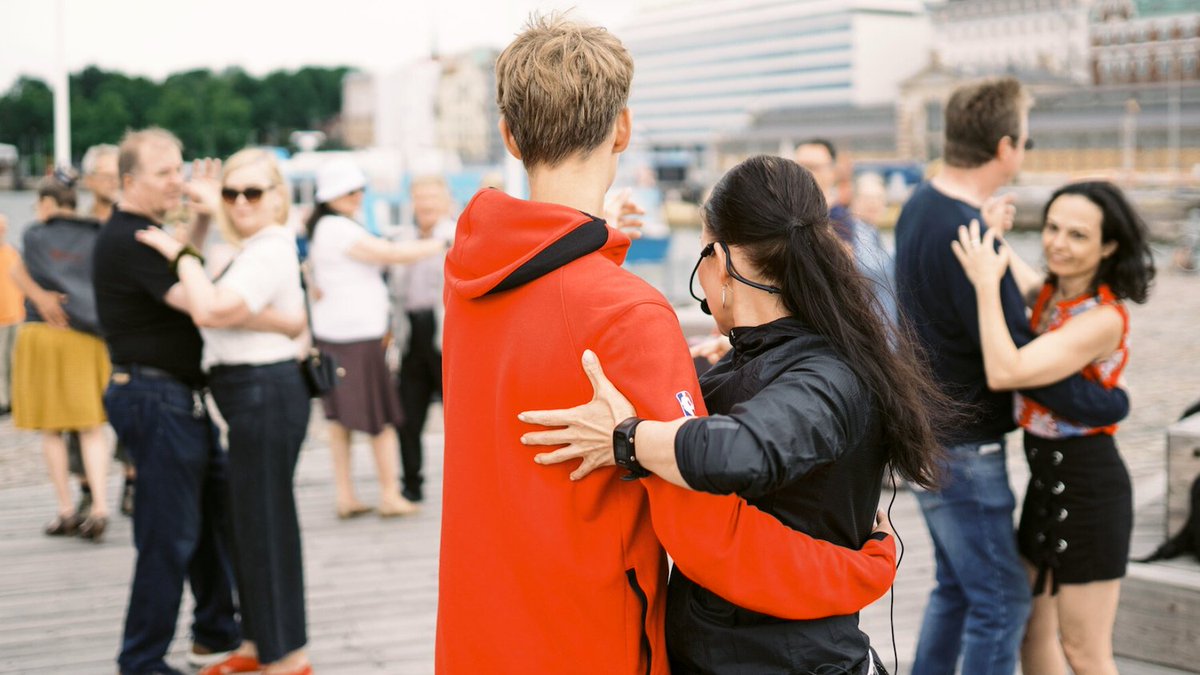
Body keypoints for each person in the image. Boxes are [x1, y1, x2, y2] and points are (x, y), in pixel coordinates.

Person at [437, 15, 898, 675]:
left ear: (510, 137)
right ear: (622, 128)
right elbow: (711, 539)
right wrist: (862, 565)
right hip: (588, 640)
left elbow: (548, 309)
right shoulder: (629, 312)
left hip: (476, 631)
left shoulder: (468, 282)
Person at [521, 155, 953, 673]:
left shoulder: (829, 374)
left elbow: (743, 450)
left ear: (720, 261)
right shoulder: (763, 356)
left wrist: (625, 439)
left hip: (783, 660)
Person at [893, 78, 1131, 675]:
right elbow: (1018, 361)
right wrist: (1108, 403)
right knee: (1001, 604)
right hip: (965, 448)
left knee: (956, 588)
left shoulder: (924, 203)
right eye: (1025, 139)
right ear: (1005, 148)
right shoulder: (968, 235)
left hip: (930, 433)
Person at [951, 182, 1154, 675]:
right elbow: (1017, 272)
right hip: (1045, 488)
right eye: (1052, 227)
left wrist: (982, 285)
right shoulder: (1050, 295)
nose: (1058, 243)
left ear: (1108, 247)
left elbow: (1006, 371)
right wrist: (993, 230)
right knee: (1032, 637)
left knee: (1084, 650)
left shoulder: (1103, 318)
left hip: (1091, 493)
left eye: (1078, 235)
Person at [134, 148, 312, 675]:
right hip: (244, 391)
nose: (240, 202)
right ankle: (259, 644)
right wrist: (203, 226)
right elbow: (225, 304)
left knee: (267, 524)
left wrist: (178, 253)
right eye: (231, 193)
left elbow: (211, 307)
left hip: (264, 391)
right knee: (245, 525)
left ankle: (289, 656)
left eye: (252, 192)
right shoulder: (248, 245)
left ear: (277, 196)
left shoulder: (269, 248)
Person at [93, 128, 242, 675]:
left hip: (174, 398)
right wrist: (208, 224)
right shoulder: (132, 238)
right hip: (156, 398)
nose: (177, 180)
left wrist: (197, 224)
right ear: (129, 181)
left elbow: (186, 260)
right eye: (165, 173)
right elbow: (194, 296)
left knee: (206, 520)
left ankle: (215, 632)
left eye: (180, 169)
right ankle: (142, 659)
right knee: (168, 533)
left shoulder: (149, 233)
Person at [305, 158, 446, 518]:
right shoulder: (340, 228)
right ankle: (389, 494)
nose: (358, 196)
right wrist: (441, 242)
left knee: (341, 420)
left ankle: (348, 494)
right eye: (351, 191)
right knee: (381, 419)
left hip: (340, 335)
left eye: (359, 190)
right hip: (357, 337)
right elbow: (392, 255)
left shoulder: (325, 228)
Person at [11, 171, 112, 541]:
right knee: (92, 427)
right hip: (87, 335)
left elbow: (14, 269)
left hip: (43, 335)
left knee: (51, 431)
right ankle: (100, 506)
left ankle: (67, 509)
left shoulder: (35, 234)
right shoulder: (98, 233)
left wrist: (38, 295)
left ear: (49, 204)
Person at [76, 142, 137, 518]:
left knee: (129, 406)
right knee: (81, 415)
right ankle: (87, 486)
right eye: (105, 175)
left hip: (121, 331)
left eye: (118, 175)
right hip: (83, 330)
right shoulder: (74, 224)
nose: (112, 182)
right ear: (89, 180)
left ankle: (132, 480)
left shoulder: (130, 220)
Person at [390, 174, 455, 503]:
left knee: (457, 418)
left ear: (446, 202)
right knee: (407, 416)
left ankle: (464, 487)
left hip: (447, 333)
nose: (426, 204)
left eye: (432, 197)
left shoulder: (458, 235)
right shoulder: (401, 239)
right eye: (420, 197)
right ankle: (411, 484)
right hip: (410, 334)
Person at [795, 138, 897, 324]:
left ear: (832, 170)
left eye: (813, 166)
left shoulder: (845, 221)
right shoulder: (785, 219)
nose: (805, 173)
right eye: (799, 166)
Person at [0, 213, 23, 416]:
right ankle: (2, 401)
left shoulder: (12, 253)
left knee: (14, 360)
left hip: (16, 315)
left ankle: (15, 400)